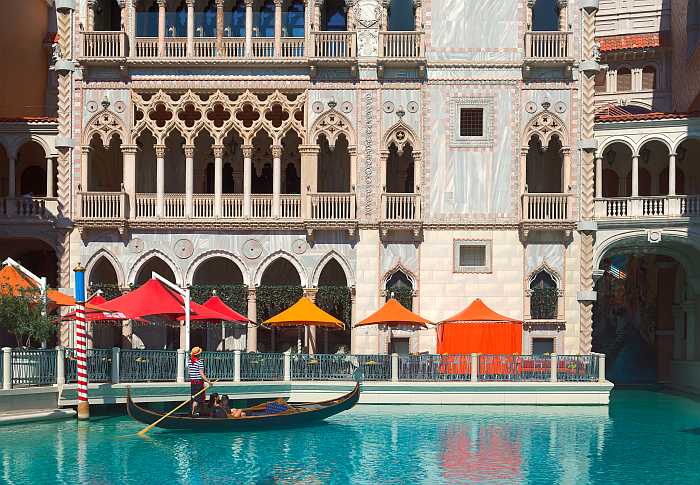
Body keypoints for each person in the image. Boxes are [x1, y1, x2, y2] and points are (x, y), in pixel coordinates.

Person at [188, 347, 211, 416]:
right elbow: (202, 374)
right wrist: (208, 381)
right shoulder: (199, 362)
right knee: (197, 399)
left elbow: (190, 372)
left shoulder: (189, 362)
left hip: (192, 383)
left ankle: (194, 412)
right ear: (198, 354)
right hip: (198, 383)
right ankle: (194, 413)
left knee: (194, 398)